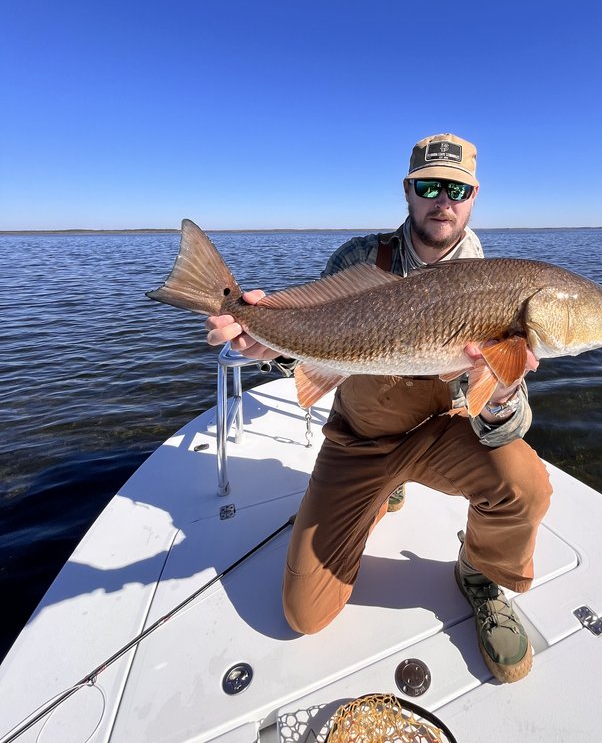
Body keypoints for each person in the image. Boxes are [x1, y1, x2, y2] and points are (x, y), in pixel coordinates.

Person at [205, 133, 552, 683]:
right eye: (429, 187)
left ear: (473, 196)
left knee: (525, 484)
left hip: (440, 433)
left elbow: (504, 428)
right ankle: (379, 492)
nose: (443, 201)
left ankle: (480, 575)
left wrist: (504, 389)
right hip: (361, 439)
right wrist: (267, 340)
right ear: (408, 191)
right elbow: (315, 336)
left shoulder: (495, 280)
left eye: (456, 189)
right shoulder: (360, 258)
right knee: (304, 614)